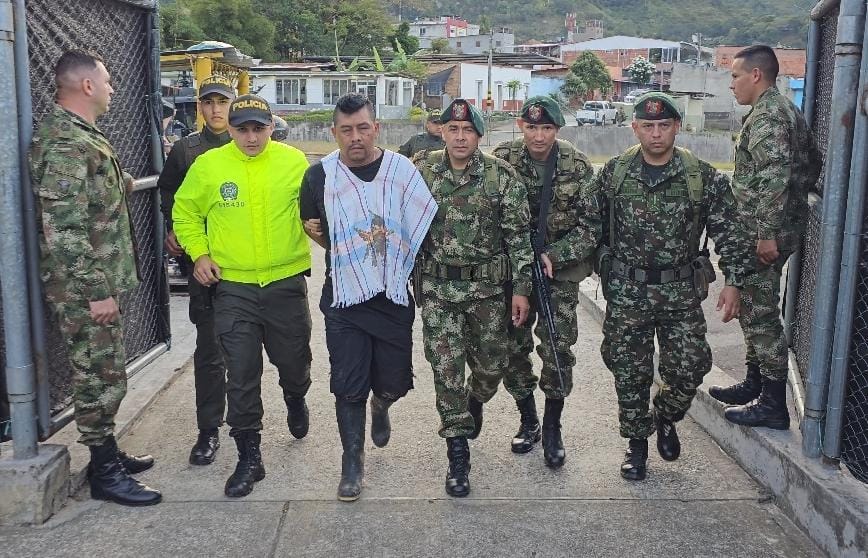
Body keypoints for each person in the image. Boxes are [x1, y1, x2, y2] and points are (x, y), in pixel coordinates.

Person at [594, 92, 750, 481]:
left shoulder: (701, 176)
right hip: (628, 292)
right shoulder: (614, 174)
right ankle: (636, 444)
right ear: (635, 128)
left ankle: (666, 415)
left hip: (680, 292)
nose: (656, 133)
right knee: (629, 371)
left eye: (664, 125)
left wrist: (734, 282)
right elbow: (587, 225)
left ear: (677, 127)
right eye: (648, 126)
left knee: (690, 365)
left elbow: (729, 232)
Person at [30, 49, 161, 506]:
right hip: (85, 290)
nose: (111, 88)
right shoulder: (65, 142)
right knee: (99, 379)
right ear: (86, 86)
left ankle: (107, 454)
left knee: (106, 375)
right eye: (106, 81)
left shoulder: (82, 136)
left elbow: (93, 196)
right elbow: (63, 228)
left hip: (94, 284)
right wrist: (95, 291)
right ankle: (104, 473)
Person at [172, 95, 313, 498]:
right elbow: (184, 213)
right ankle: (249, 456)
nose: (251, 138)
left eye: (259, 128)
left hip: (286, 284)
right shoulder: (209, 166)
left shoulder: (293, 162)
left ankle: (296, 395)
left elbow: (314, 211)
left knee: (294, 360)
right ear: (230, 129)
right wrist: (199, 252)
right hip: (233, 288)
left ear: (272, 126)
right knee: (242, 373)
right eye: (242, 129)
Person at [300, 93, 437, 502]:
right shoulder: (319, 178)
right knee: (347, 385)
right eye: (346, 130)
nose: (355, 138)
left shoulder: (402, 171)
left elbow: (421, 223)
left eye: (363, 128)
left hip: (393, 294)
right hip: (345, 298)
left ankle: (383, 404)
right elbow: (316, 229)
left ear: (376, 127)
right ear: (334, 133)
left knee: (394, 381)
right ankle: (352, 462)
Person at [413, 99, 534, 497]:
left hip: (487, 293)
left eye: (467, 131)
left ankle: (475, 400)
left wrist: (521, 290)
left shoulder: (502, 176)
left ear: (479, 135)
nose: (460, 137)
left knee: (492, 366)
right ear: (441, 132)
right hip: (439, 292)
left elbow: (519, 239)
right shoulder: (422, 170)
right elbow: (401, 222)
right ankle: (458, 455)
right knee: (445, 370)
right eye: (453, 130)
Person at [711, 45, 821, 429]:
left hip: (766, 233)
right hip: (769, 227)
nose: (732, 85)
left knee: (760, 313)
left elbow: (774, 178)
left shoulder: (770, 117)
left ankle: (773, 404)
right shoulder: (778, 110)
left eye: (735, 76)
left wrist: (768, 233)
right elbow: (811, 162)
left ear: (756, 75)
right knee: (752, 307)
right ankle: (755, 384)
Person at [492, 96, 600, 468]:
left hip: (560, 271)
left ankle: (553, 426)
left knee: (557, 348)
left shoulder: (576, 164)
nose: (539, 136)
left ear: (557, 129)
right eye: (532, 127)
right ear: (522, 126)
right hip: (514, 270)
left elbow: (592, 226)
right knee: (513, 346)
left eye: (547, 128)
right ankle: (528, 420)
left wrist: (556, 253)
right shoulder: (502, 158)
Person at [157, 74, 235, 467]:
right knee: (209, 351)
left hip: (245, 264)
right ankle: (209, 429)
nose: (216, 109)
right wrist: (173, 228)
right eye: (209, 102)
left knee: (261, 350)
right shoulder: (187, 150)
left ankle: (271, 408)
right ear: (200, 107)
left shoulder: (249, 144)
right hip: (204, 266)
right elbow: (169, 192)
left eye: (222, 102)